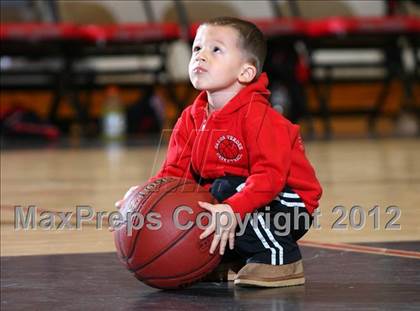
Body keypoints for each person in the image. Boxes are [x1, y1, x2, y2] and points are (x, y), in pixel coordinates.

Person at [117, 17, 322, 288]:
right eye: (197, 48)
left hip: (288, 204)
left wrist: (230, 207)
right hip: (237, 200)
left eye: (216, 49)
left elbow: (270, 178)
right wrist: (140, 201)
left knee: (223, 190)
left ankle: (280, 258)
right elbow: (174, 177)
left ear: (246, 73)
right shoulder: (190, 118)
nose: (201, 55)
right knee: (199, 196)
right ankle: (226, 259)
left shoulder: (261, 118)